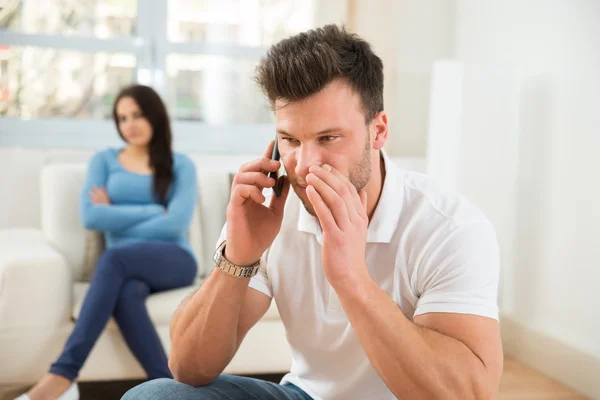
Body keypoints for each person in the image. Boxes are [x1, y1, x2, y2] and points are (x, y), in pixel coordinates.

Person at [123, 25, 503, 400]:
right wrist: (238, 257)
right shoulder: (271, 210)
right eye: (290, 140)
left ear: (379, 131)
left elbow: (466, 394)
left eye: (328, 138)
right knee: (154, 397)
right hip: (305, 395)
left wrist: (351, 279)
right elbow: (188, 367)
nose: (303, 166)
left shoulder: (449, 228)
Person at [18, 85, 198, 400]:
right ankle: (174, 388)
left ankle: (62, 375)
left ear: (155, 115)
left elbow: (176, 224)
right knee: (127, 292)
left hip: (174, 260)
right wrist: (154, 209)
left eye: (137, 114)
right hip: (126, 266)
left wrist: (113, 210)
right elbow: (91, 217)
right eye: (122, 118)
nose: (129, 124)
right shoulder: (104, 161)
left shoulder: (180, 164)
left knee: (115, 258)